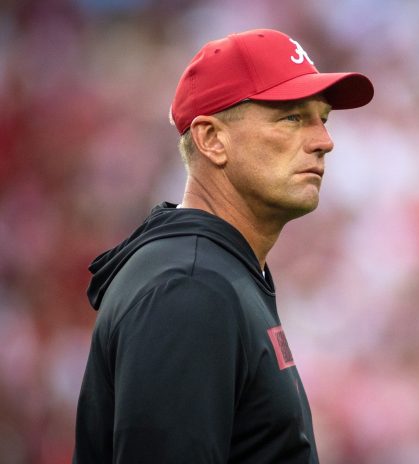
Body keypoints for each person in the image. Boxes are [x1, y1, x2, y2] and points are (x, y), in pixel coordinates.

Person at [72, 28, 373, 463]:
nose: (324, 141)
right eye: (291, 117)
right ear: (212, 139)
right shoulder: (190, 288)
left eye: (322, 118)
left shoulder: (212, 270)